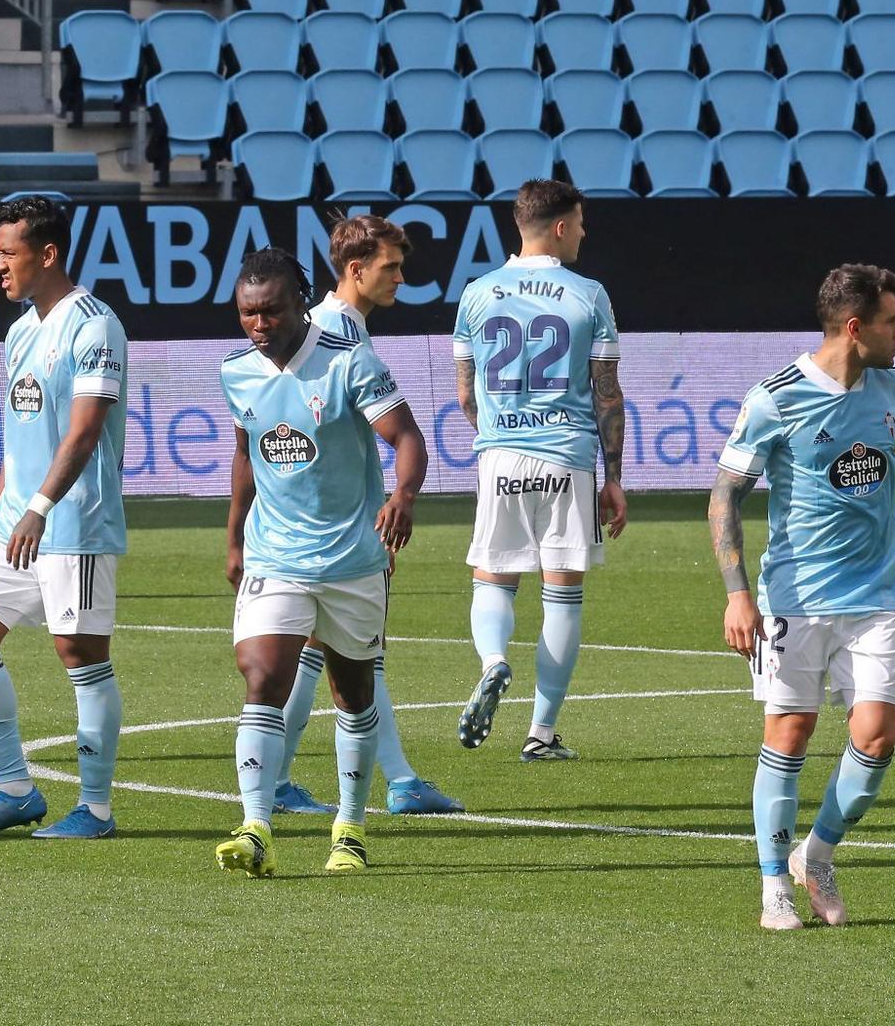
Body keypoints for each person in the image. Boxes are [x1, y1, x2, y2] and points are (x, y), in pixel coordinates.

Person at [710, 264, 895, 931]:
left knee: (878, 736)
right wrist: (737, 594)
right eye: (892, 319)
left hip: (873, 599)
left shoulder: (893, 390)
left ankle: (818, 854)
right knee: (791, 733)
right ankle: (773, 884)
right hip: (792, 600)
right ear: (856, 327)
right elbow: (724, 496)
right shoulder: (776, 398)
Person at [215, 248, 428, 877]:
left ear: (300, 302)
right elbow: (248, 453)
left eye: (271, 311)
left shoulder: (348, 361)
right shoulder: (236, 370)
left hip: (353, 560)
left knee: (353, 694)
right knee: (262, 679)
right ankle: (255, 826)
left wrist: (403, 495)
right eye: (247, 313)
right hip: (275, 556)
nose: (259, 324)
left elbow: (407, 436)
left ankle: (350, 829)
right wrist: (232, 537)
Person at [0, 195, 128, 841]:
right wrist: (2, 510)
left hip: (73, 520)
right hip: (15, 522)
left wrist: (39, 509)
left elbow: (83, 433)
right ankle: (15, 790)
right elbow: (20, 433)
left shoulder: (94, 325)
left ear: (46, 255)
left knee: (78, 652)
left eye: (8, 253)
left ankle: (97, 810)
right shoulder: (21, 330)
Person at [272, 214, 462, 817]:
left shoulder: (335, 329)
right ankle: (285, 782)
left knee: (341, 652)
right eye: (391, 267)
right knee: (335, 652)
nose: (401, 278)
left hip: (332, 525)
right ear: (356, 270)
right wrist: (385, 507)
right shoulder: (335, 337)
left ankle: (399, 779)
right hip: (328, 530)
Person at [451, 180, 627, 762]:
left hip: (500, 453)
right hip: (568, 456)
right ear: (558, 226)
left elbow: (465, 393)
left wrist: (495, 430)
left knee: (494, 578)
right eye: (579, 223)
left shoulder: (477, 294)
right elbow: (607, 395)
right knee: (563, 594)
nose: (583, 232)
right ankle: (542, 733)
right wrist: (614, 476)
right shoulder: (588, 295)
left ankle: (492, 661)